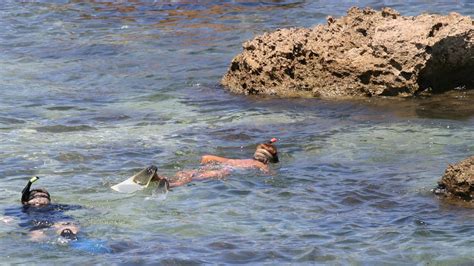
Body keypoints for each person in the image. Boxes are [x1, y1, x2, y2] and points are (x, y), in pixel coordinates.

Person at [111, 138, 279, 192]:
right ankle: (171, 185)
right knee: (191, 179)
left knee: (189, 173)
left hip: (214, 165)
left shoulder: (234, 160)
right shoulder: (259, 165)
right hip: (225, 171)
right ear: (267, 159)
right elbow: (270, 176)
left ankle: (158, 177)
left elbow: (206, 158)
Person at [3, 176, 81, 241]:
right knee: (66, 225)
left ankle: (62, 237)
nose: (40, 199)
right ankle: (68, 236)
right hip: (52, 220)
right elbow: (77, 207)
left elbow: (8, 216)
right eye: (37, 197)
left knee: (38, 234)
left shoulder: (21, 208)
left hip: (36, 223)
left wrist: (6, 219)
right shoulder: (55, 206)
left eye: (43, 197)